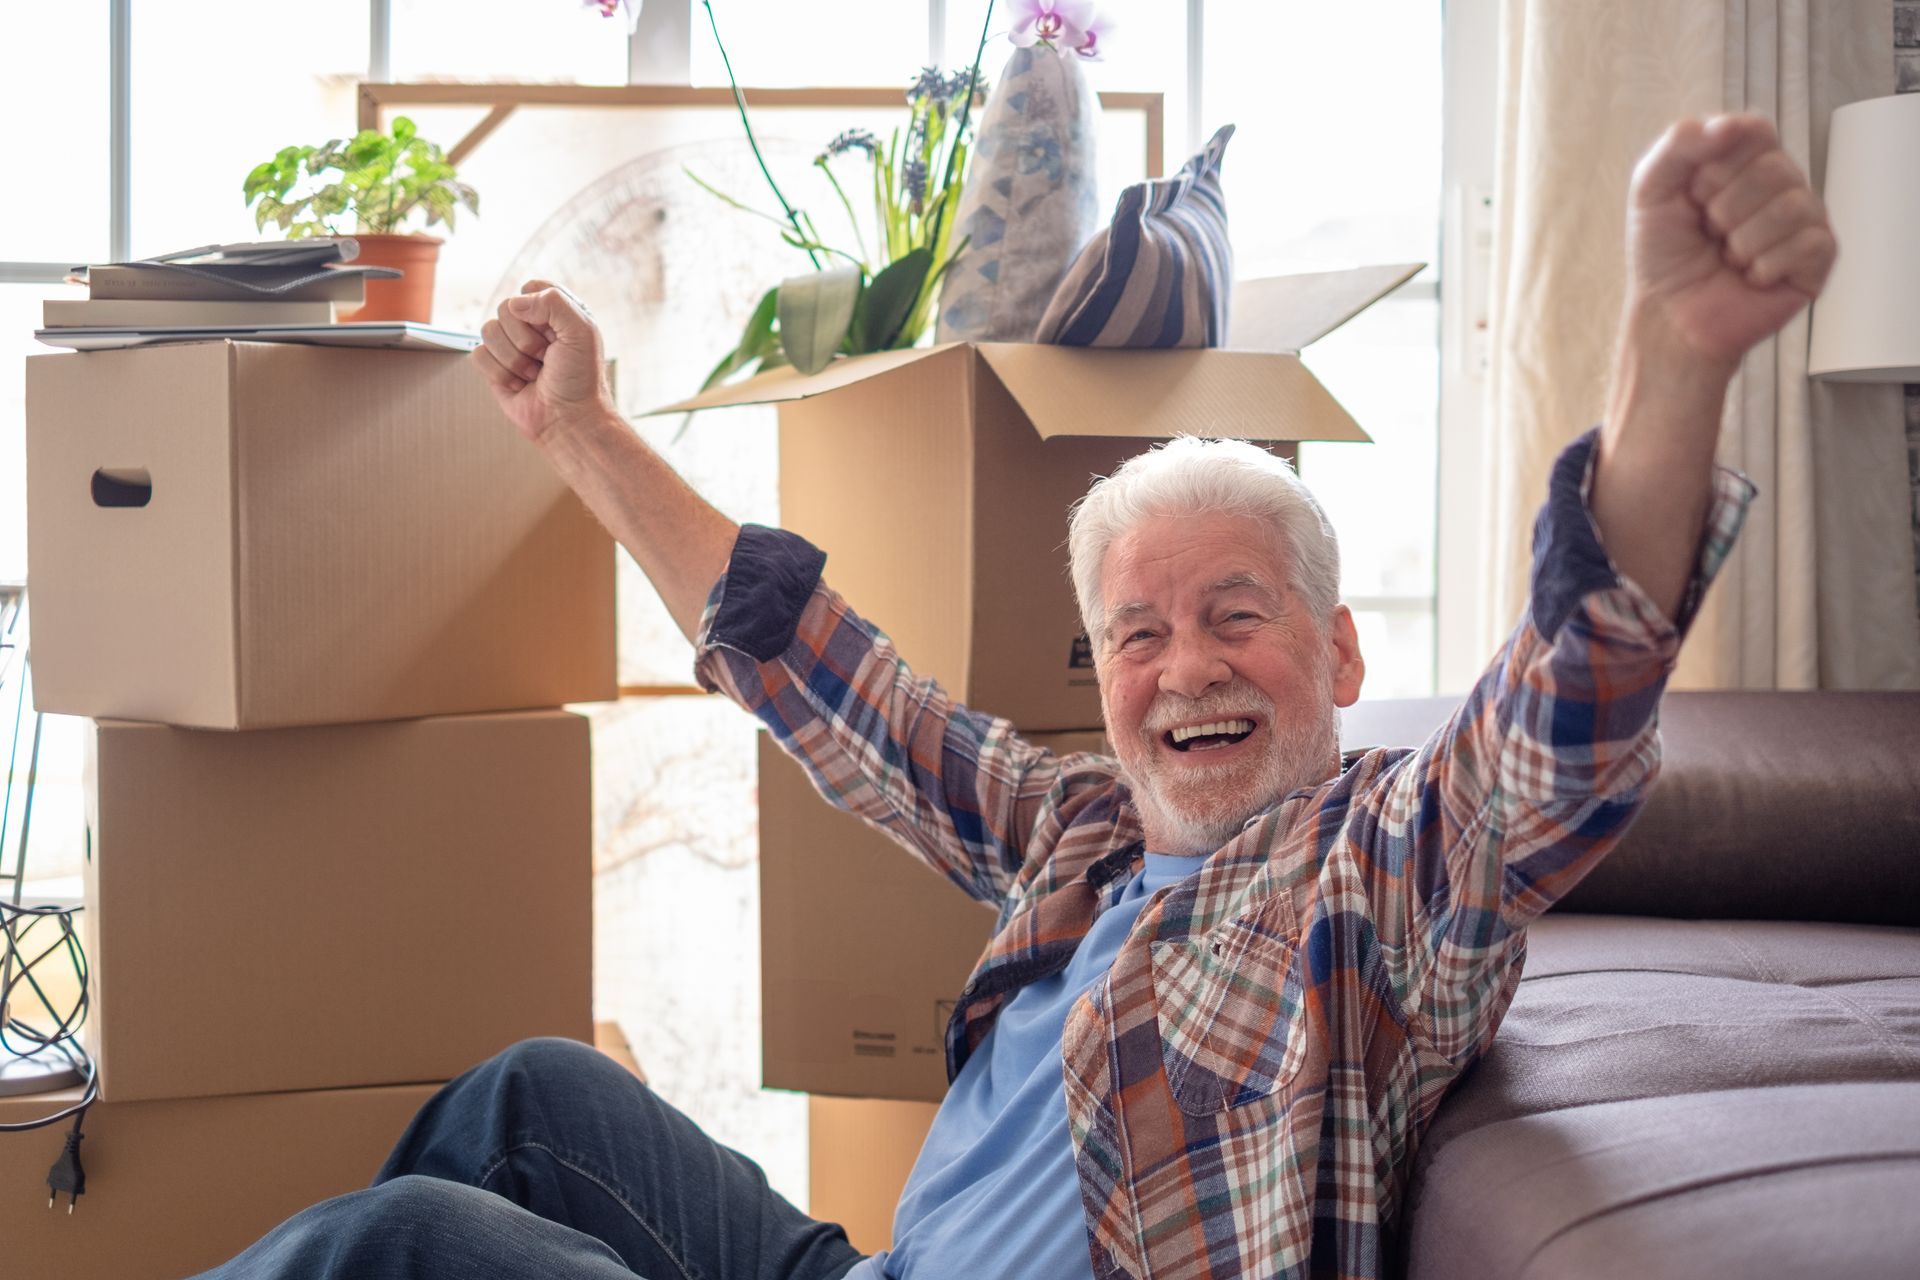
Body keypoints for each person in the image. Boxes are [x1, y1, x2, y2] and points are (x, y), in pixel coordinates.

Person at [191, 112, 1833, 1280]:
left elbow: (1559, 729)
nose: (1185, 667)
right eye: (1137, 636)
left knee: (407, 1246)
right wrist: (580, 431)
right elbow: (823, 673)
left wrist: (1671, 356)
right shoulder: (1084, 838)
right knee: (532, 1095)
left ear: (1339, 657)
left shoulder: (1376, 882)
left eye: (1236, 618)